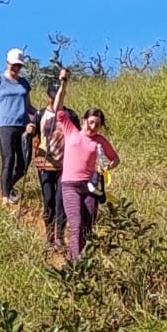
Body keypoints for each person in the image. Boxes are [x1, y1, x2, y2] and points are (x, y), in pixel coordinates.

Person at [52, 69, 120, 259]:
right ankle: (76, 263)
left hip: (90, 186)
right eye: (91, 122)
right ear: (84, 121)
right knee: (76, 223)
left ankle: (75, 258)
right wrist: (64, 83)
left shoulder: (100, 141)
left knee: (87, 227)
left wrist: (108, 167)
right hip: (70, 185)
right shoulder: (71, 131)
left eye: (97, 124)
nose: (93, 126)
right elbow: (58, 107)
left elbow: (115, 159)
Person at [0, 48, 35, 205]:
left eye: (19, 65)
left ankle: (8, 185)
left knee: (24, 162)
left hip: (23, 126)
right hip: (5, 125)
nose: (16, 68)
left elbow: (29, 106)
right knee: (9, 158)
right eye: (13, 64)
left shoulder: (24, 83)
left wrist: (41, 115)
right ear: (7, 63)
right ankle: (5, 195)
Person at [31, 80, 67, 249]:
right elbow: (35, 138)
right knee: (49, 199)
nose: (55, 100)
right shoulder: (40, 114)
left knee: (61, 201)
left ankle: (59, 236)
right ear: (48, 96)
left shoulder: (70, 115)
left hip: (64, 165)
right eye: (53, 96)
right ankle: (49, 235)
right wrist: (34, 157)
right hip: (44, 164)